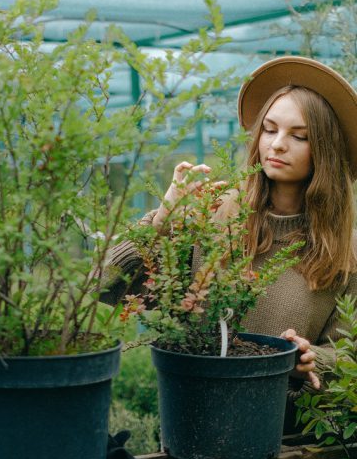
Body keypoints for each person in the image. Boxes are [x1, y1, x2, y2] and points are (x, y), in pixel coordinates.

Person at [100, 55, 357, 424]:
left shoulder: (345, 254)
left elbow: (350, 360)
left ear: (326, 152)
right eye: (269, 130)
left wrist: (314, 359)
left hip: (288, 447)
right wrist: (164, 220)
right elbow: (103, 283)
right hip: (193, 424)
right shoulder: (212, 217)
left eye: (299, 136)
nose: (278, 144)